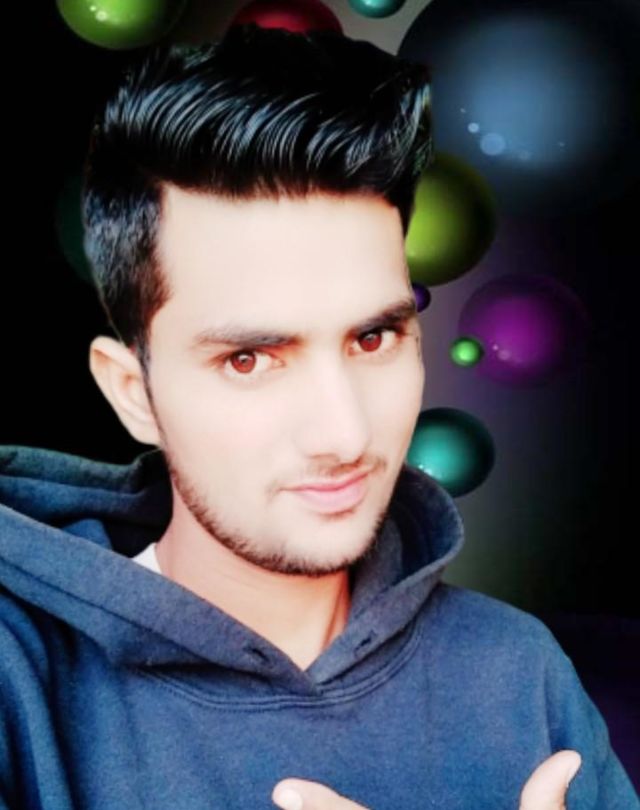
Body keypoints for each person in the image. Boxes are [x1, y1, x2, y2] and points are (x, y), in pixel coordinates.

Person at [0, 22, 636, 810]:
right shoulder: (18, 685)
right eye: (249, 359)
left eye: (374, 338)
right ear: (134, 393)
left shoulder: (519, 672)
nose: (344, 435)